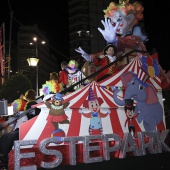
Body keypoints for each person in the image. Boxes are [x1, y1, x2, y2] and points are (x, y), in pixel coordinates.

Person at [0, 89, 41, 166]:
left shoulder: (24, 111)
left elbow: (20, 125)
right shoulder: (23, 112)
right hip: (25, 130)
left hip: (24, 130)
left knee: (8, 138)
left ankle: (5, 160)